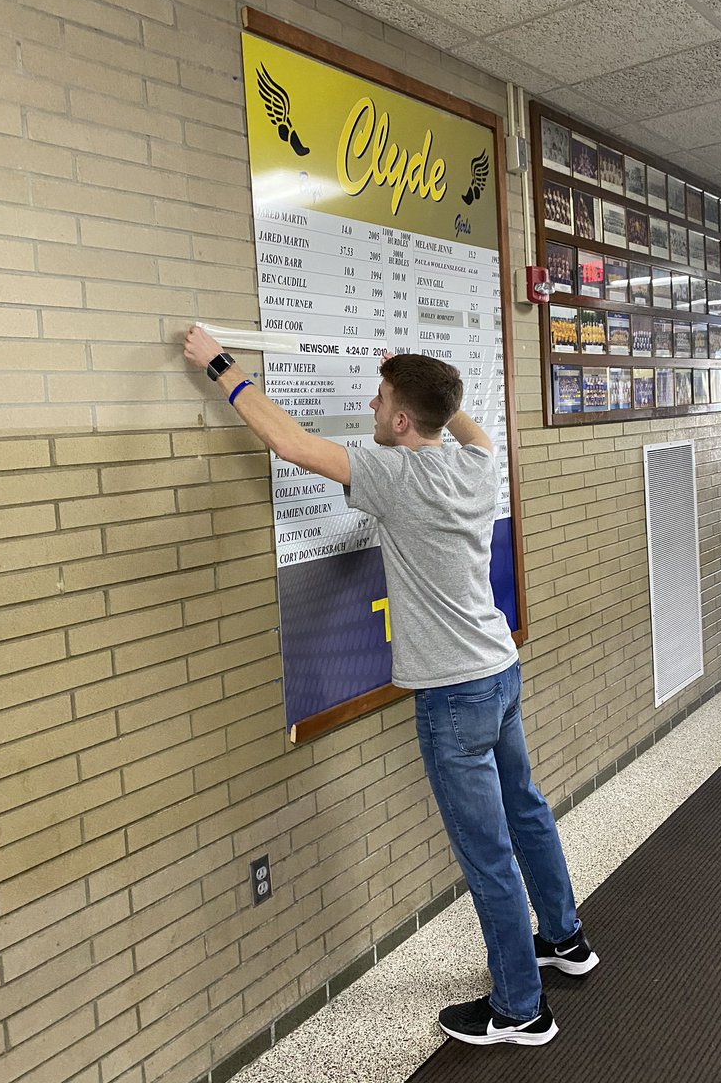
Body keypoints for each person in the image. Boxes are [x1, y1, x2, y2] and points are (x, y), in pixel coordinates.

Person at [183, 326, 598, 1046]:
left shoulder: (394, 476)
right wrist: (411, 376)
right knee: (526, 810)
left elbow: (289, 442)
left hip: (453, 696)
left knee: (487, 853)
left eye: (381, 399)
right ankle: (565, 939)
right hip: (498, 672)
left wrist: (218, 365)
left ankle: (520, 1009)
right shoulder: (475, 463)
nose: (372, 406)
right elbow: (460, 418)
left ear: (401, 420)